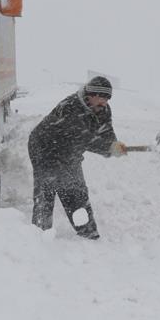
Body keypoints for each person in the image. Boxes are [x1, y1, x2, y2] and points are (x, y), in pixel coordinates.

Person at [27, 76, 127, 239]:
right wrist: (108, 148)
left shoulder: (103, 109)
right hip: (44, 146)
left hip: (69, 150)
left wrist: (114, 145)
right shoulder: (71, 107)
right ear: (91, 94)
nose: (105, 102)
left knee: (76, 188)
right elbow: (83, 138)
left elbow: (106, 132)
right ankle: (40, 233)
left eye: (108, 98)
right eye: (102, 97)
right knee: (47, 188)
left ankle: (88, 232)